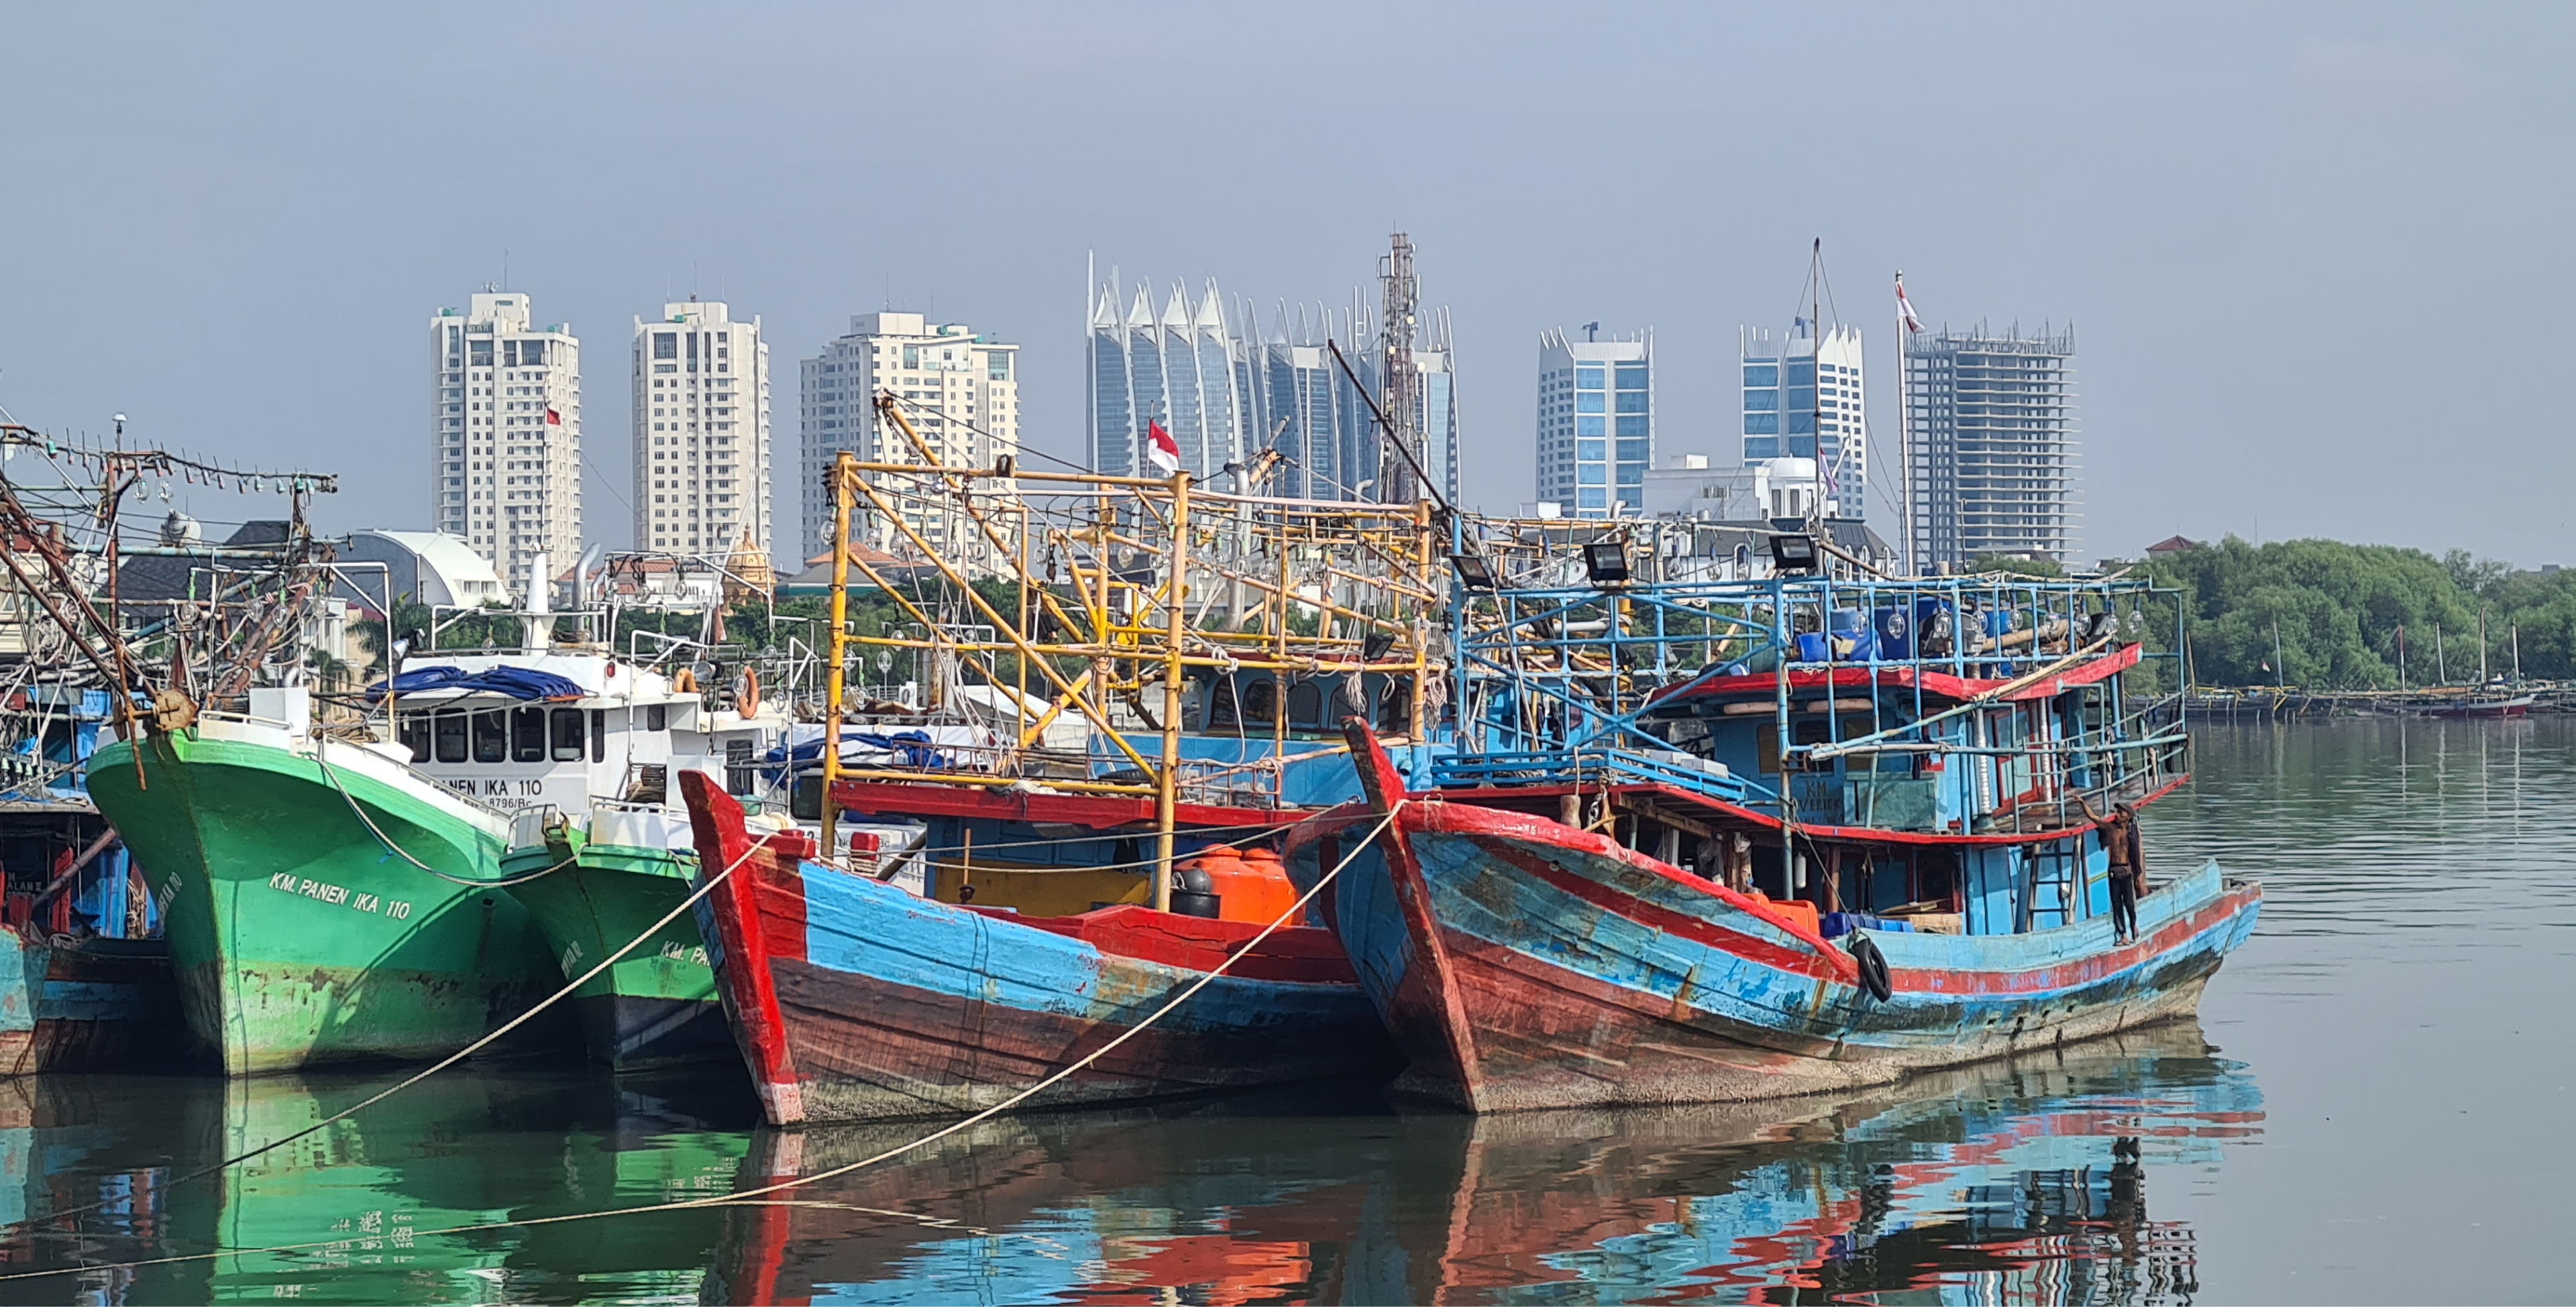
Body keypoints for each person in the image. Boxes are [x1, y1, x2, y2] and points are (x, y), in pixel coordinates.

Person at [2076, 794, 2145, 943]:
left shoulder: (2132, 832)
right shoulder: (2111, 828)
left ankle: (2134, 927)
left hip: (2126, 870)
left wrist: (2138, 874)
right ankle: (2123, 936)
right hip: (2114, 870)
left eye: (2121, 812)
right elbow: (2094, 817)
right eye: (2118, 812)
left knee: (2129, 903)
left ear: (2128, 816)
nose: (2118, 814)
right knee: (2117, 904)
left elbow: (2137, 853)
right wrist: (2082, 804)